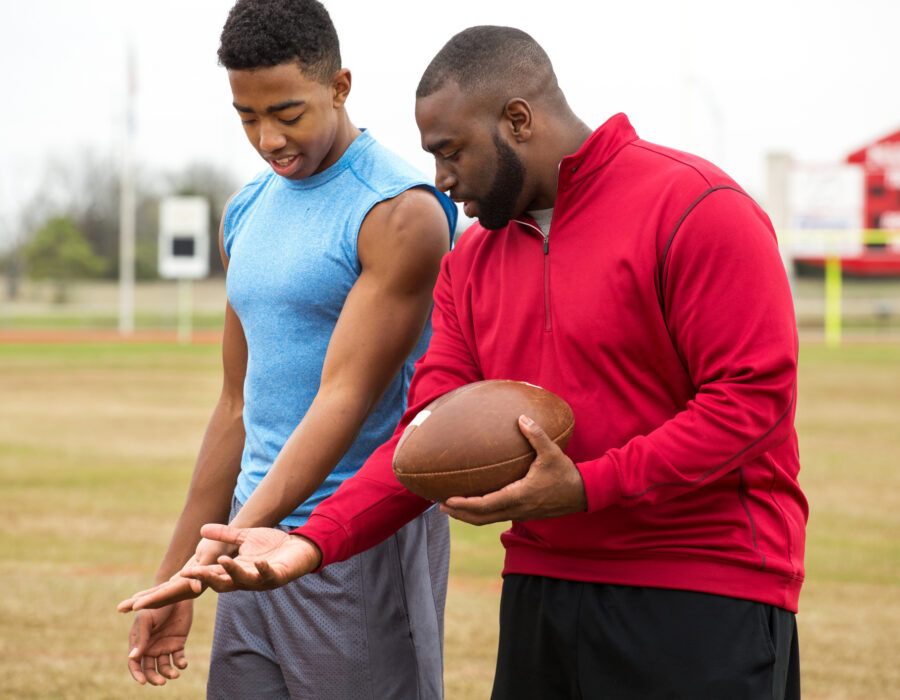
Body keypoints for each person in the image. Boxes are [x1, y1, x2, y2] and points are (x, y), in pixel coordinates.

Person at [130, 25, 808, 700]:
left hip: (706, 584)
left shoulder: (697, 207)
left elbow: (750, 404)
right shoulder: (472, 263)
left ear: (517, 120)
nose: (441, 180)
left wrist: (588, 486)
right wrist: (312, 542)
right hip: (543, 585)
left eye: (451, 153)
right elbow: (419, 440)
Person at [117, 1, 457, 698]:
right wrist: (183, 568)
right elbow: (237, 406)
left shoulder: (399, 211)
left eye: (288, 112)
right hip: (247, 539)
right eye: (247, 116)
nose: (268, 137)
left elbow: (344, 397)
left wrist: (220, 546)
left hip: (351, 538)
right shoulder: (245, 209)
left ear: (340, 86)